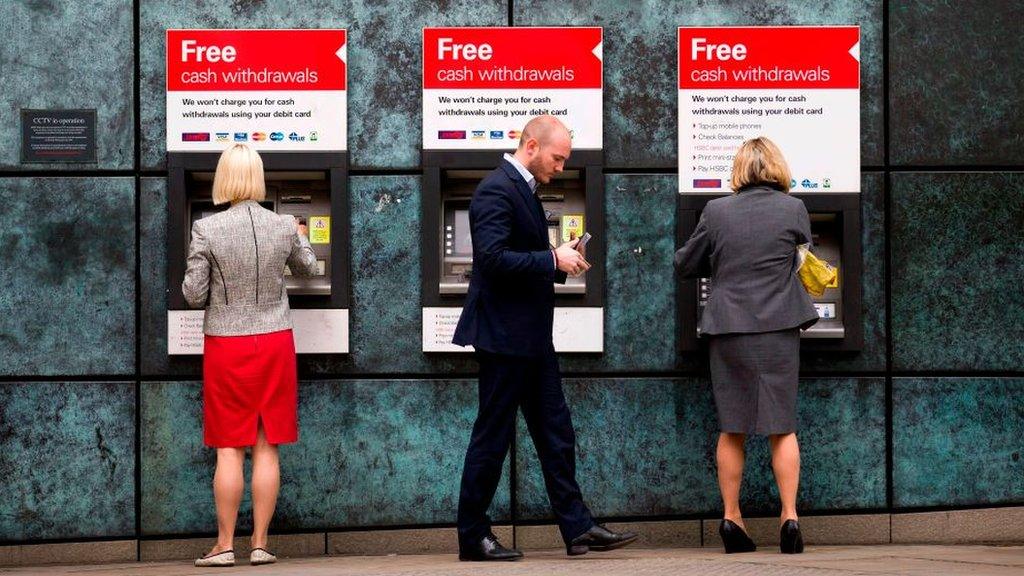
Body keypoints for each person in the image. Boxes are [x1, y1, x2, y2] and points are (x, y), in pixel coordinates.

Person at [452, 115, 638, 561]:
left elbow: (523, 256)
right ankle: (472, 535)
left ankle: (578, 528)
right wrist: (552, 258)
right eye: (558, 158)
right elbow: (493, 260)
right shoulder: (496, 189)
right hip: (503, 338)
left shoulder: (526, 191)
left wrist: (559, 258)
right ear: (531, 146)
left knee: (556, 433)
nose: (561, 167)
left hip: (531, 338)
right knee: (492, 438)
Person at [675, 137, 819, 555]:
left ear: (738, 169)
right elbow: (802, 258)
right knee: (782, 426)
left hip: (730, 328)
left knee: (732, 426)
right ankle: (789, 518)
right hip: (778, 327)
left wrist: (719, 260)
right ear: (777, 166)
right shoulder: (793, 208)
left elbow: (684, 263)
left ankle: (731, 518)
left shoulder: (717, 211)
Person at [182, 143, 319, 567]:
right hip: (275, 341)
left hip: (227, 344)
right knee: (266, 446)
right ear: (258, 179)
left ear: (223, 178)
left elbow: (193, 295)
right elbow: (309, 269)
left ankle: (224, 546)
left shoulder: (207, 230)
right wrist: (300, 236)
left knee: (228, 447)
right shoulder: (282, 225)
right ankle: (260, 543)